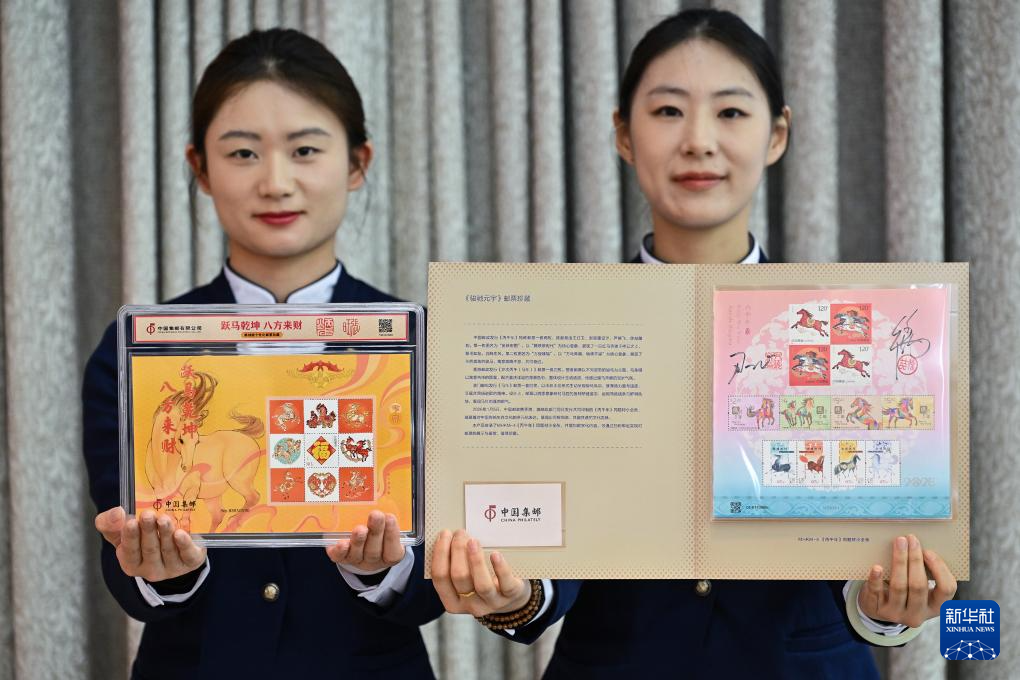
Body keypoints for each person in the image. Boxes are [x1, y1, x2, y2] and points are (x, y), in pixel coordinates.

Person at [430, 9, 957, 678]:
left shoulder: (851, 336)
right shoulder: (560, 333)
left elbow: (863, 556)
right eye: (668, 112)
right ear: (625, 134)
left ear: (777, 134)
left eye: (730, 112)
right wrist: (513, 593)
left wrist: (886, 603)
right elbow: (546, 545)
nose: (699, 141)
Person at [83, 29, 442, 679]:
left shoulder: (418, 345)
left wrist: (384, 570)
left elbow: (444, 569)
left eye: (305, 150)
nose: (276, 183)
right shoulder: (140, 349)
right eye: (243, 153)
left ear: (357, 162)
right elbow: (124, 552)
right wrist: (166, 572)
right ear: (200, 168)